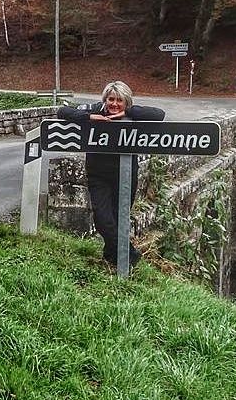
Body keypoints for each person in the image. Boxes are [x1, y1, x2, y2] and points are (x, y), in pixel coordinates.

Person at [59, 81, 164, 269]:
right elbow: (63, 112)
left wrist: (128, 113)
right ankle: (130, 255)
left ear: (126, 102)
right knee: (102, 219)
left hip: (125, 174)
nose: (114, 104)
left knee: (119, 218)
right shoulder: (96, 109)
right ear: (105, 99)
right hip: (98, 175)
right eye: (111, 99)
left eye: (119, 101)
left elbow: (158, 115)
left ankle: (111, 259)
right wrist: (91, 117)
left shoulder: (133, 113)